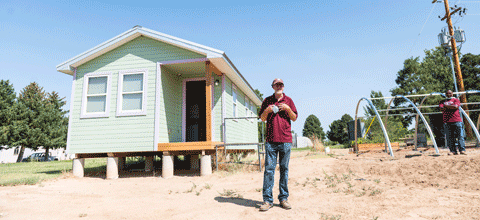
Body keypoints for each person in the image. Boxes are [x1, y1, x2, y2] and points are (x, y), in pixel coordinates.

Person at [258, 78, 297, 212]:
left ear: (283, 87)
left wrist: (287, 109)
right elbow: (262, 118)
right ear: (273, 87)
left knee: (284, 170)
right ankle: (267, 201)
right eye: (276, 85)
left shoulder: (289, 101)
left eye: (281, 84)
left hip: (285, 140)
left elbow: (294, 117)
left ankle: (283, 199)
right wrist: (267, 110)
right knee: (269, 170)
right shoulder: (267, 101)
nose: (279, 86)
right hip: (271, 141)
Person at [439, 90, 466, 155]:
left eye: (450, 93)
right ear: (445, 94)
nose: (449, 94)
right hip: (447, 122)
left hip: (457, 120)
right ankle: (453, 151)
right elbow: (441, 108)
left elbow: (456, 107)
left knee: (460, 136)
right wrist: (451, 107)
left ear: (452, 93)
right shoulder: (442, 101)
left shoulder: (456, 100)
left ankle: (462, 150)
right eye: (447, 93)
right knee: (450, 137)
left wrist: (446, 107)